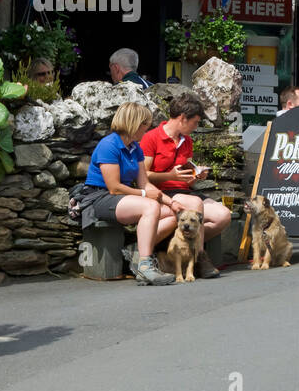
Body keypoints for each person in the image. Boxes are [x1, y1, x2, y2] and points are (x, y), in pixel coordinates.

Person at [79, 102, 176, 286]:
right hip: (100, 197)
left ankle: (137, 252)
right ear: (134, 124)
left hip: (123, 197)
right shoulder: (109, 145)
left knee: (170, 214)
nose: (147, 130)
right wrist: (144, 195)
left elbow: (144, 183)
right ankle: (145, 267)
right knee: (150, 206)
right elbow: (114, 187)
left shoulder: (135, 148)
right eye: (145, 125)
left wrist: (170, 202)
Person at [139, 92, 232, 278]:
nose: (196, 126)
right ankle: (199, 257)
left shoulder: (186, 140)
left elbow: (187, 171)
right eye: (195, 122)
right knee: (195, 204)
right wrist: (169, 175)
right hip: (163, 192)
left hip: (184, 191)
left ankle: (181, 246)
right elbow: (143, 176)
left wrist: (196, 175)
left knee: (223, 215)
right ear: (182, 118)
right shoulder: (152, 138)